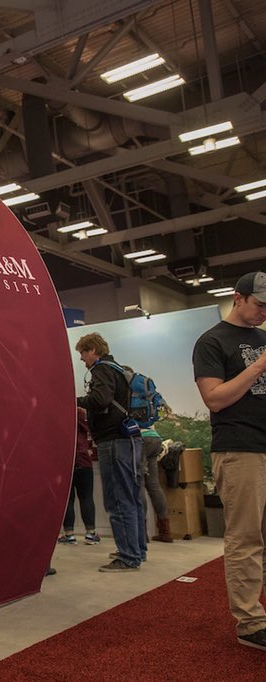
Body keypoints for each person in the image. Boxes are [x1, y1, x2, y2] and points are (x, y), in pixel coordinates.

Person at [193, 270, 266, 653]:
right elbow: (215, 399)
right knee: (246, 537)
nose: (264, 313)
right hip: (239, 448)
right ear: (238, 297)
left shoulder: (263, 337)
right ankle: (251, 622)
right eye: (259, 304)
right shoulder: (212, 342)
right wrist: (259, 365)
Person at [75, 333, 144, 572]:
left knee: (117, 499)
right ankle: (137, 549)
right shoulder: (120, 369)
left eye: (82, 354)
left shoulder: (101, 369)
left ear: (92, 350)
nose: (82, 360)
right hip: (129, 439)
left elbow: (101, 400)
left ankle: (127, 556)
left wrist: (76, 400)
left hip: (113, 440)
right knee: (133, 497)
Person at [59, 407, 100, 546]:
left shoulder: (59, 412)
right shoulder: (81, 413)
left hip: (65, 461)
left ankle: (69, 535)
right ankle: (90, 533)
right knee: (87, 498)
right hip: (83, 460)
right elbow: (92, 431)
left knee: (67, 500)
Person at [140, 422, 172, 543]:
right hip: (155, 438)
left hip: (140, 438)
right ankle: (165, 532)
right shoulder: (147, 401)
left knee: (139, 485)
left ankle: (142, 533)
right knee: (154, 485)